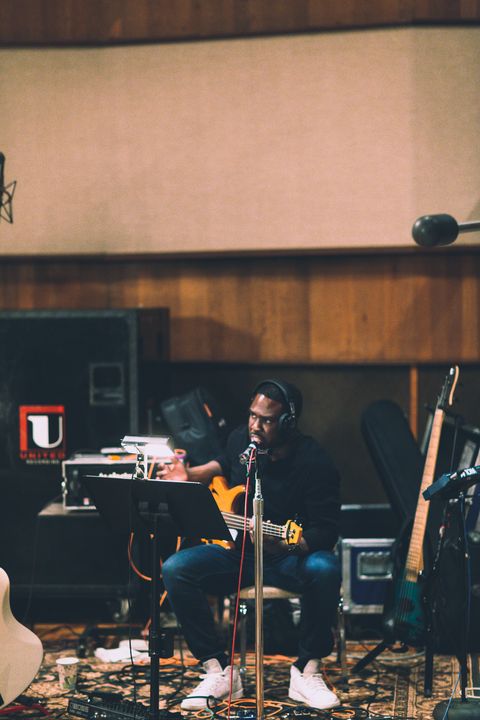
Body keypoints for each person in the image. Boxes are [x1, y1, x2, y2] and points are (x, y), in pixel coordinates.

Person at [159, 379, 341, 710]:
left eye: (266, 419)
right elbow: (224, 463)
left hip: (288, 559)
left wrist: (292, 545)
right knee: (176, 569)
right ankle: (219, 670)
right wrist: (190, 474)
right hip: (241, 554)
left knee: (326, 567)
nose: (255, 425)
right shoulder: (242, 440)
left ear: (288, 422)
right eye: (252, 415)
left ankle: (306, 670)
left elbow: (326, 531)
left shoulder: (315, 461)